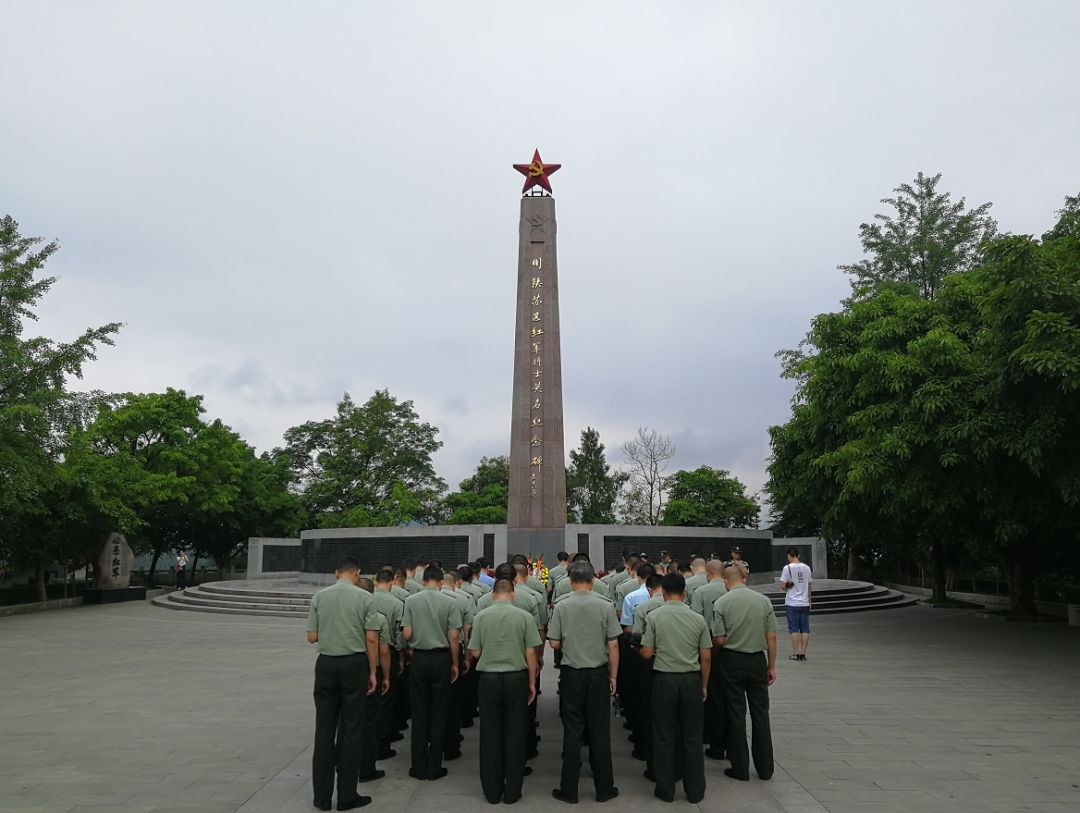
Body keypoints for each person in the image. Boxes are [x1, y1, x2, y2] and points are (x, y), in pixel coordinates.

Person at [305, 558, 381, 811]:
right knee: (350, 730)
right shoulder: (365, 598)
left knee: (324, 730)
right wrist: (372, 671)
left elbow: (312, 637)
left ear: (336, 573)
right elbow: (371, 639)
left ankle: (322, 797)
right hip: (353, 664)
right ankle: (347, 796)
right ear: (357, 573)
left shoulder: (319, 597)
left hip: (326, 664)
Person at [547, 559, 621, 804]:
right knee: (600, 730)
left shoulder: (561, 605)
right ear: (592, 581)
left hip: (572, 673)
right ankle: (604, 788)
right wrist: (613, 675)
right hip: (598, 672)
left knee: (572, 730)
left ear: (570, 581)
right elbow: (613, 643)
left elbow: (554, 643)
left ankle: (569, 789)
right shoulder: (605, 605)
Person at [468, 578, 541, 804]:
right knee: (515, 733)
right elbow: (531, 653)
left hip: (488, 679)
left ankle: (491, 790)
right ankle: (512, 791)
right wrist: (531, 682)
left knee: (489, 734)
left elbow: (475, 652)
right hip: (516, 678)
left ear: (492, 595)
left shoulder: (480, 616)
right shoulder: (525, 617)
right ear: (513, 594)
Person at [639, 573, 711, 804]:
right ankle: (695, 791)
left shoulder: (654, 616)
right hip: (690, 680)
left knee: (663, 736)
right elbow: (706, 657)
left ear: (663, 591)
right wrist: (703, 684)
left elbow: (647, 653)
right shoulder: (697, 619)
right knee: (692, 737)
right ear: (685, 591)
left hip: (664, 681)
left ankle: (665, 788)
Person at [712, 563, 777, 782]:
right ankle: (766, 767)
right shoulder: (763, 601)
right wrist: (771, 666)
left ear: (725, 582)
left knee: (736, 713)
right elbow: (772, 637)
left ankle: (740, 768)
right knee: (761, 713)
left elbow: (719, 639)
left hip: (732, 660)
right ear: (745, 579)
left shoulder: (721, 602)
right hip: (757, 660)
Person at [402, 565, 462, 781]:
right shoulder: (450, 602)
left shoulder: (411, 601)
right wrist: (455, 663)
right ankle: (434, 766)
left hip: (419, 659)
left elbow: (407, 633)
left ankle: (418, 766)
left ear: (424, 580)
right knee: (439, 711)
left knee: (419, 713)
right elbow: (454, 636)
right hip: (441, 659)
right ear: (440, 580)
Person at [356, 578, 393, 783]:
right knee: (369, 719)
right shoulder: (378, 618)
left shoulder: (346, 616)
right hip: (370, 669)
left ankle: (341, 759)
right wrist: (383, 675)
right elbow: (384, 651)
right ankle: (367, 767)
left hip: (346, 666)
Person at [690, 559, 729, 760]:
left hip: (710, 649)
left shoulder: (701, 593)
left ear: (708, 574)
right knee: (733, 701)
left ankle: (715, 743)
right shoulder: (731, 590)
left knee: (712, 699)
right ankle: (734, 746)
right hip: (733, 652)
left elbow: (697, 623)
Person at [372, 569, 406, 758]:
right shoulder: (397, 603)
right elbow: (400, 637)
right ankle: (383, 743)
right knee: (386, 701)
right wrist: (401, 658)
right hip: (388, 652)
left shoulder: (366, 600)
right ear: (392, 582)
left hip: (365, 653)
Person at [441, 568, 475, 761]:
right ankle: (451, 744)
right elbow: (466, 632)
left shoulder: (417, 599)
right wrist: (464, 659)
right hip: (453, 652)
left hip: (424, 656)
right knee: (453, 701)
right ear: (456, 583)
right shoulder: (463, 599)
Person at [780, 547, 812, 661]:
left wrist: (788, 585)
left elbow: (783, 586)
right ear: (798, 556)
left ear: (789, 556)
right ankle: (803, 652)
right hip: (805, 603)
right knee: (805, 629)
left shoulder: (787, 568)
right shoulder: (807, 568)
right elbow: (809, 587)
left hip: (792, 602)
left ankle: (796, 652)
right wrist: (810, 601)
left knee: (793, 629)